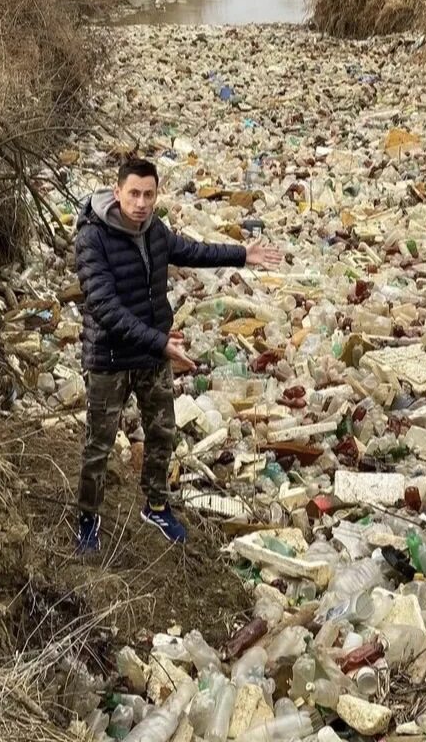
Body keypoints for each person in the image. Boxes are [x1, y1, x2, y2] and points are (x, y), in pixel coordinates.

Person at [74, 157, 281, 553]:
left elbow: (191, 251)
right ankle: (88, 519)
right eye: (133, 193)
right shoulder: (92, 238)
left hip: (152, 354)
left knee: (162, 433)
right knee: (98, 446)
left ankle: (155, 505)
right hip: (110, 359)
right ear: (117, 193)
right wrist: (160, 343)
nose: (141, 202)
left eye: (149, 194)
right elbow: (104, 306)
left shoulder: (154, 230)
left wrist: (241, 255)